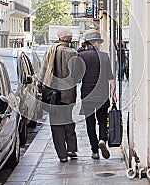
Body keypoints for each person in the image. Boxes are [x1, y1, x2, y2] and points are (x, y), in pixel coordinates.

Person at [38, 28, 80, 163]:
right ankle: (71, 148)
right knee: (68, 120)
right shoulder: (74, 53)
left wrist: (41, 86)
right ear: (71, 40)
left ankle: (62, 154)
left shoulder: (50, 52)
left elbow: (43, 71)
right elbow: (78, 76)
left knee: (56, 125)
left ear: (59, 39)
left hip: (52, 95)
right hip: (69, 94)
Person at [78, 29, 117, 160]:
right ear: (96, 43)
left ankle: (95, 151)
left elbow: (77, 77)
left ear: (87, 43)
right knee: (102, 121)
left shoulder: (81, 57)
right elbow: (110, 77)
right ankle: (102, 140)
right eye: (99, 42)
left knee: (90, 123)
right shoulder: (105, 56)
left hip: (87, 95)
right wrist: (114, 93)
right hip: (102, 95)